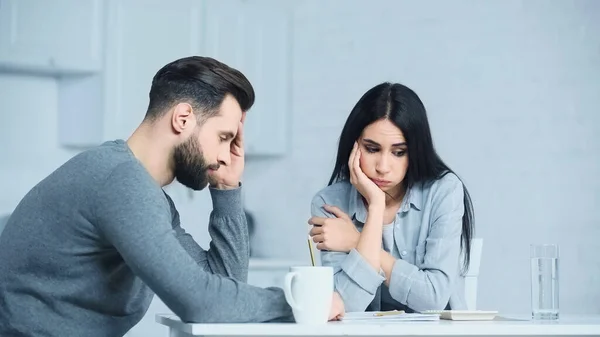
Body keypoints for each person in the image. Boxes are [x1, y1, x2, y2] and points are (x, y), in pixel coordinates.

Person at [0, 56, 344, 337]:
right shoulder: (121, 182)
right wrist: (301, 303)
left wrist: (226, 189)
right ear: (183, 118)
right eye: (224, 137)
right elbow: (202, 304)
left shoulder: (142, 190)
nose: (227, 155)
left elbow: (223, 291)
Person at [308, 82, 474, 313]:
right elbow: (344, 305)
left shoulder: (444, 191)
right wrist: (376, 206)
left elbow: (433, 299)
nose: (383, 167)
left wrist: (357, 242)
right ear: (354, 147)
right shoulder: (329, 203)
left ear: (415, 150)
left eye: (399, 152)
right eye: (372, 149)